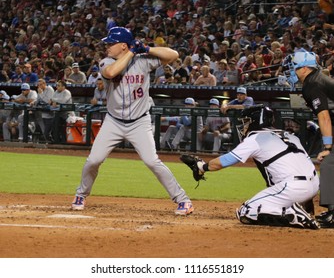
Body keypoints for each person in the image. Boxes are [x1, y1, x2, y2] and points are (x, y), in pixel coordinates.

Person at [71, 27, 194, 215]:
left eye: (111, 43)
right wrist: (130, 52)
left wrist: (146, 48)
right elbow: (111, 73)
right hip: (113, 122)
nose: (107, 46)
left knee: (152, 162)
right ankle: (81, 194)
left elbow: (173, 55)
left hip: (139, 122)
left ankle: (183, 200)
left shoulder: (143, 60)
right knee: (93, 160)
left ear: (122, 45)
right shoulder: (106, 61)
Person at [183, 105, 320, 229]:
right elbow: (306, 168)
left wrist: (203, 166)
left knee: (246, 211)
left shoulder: (255, 138)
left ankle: (292, 213)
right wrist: (309, 209)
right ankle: (300, 213)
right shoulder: (289, 135)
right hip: (314, 186)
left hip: (292, 187)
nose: (244, 126)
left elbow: (226, 160)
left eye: (247, 122)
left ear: (256, 121)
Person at [283, 50, 334, 228]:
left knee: (329, 163)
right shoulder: (317, 79)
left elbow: (324, 116)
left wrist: (327, 146)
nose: (291, 71)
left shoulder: (311, 84)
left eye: (294, 68)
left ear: (304, 68)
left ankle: (333, 214)